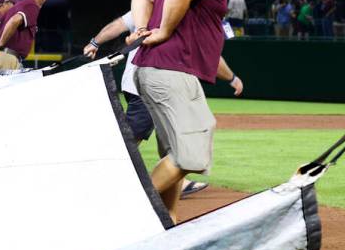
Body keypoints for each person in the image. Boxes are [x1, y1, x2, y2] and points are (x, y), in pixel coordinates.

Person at [130, 0, 257, 223]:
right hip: (172, 71)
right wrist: (162, 31)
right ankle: (128, 216)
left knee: (174, 152)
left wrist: (146, 27)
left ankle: (168, 223)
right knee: (191, 154)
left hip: (155, 70)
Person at [83, 10, 244, 199]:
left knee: (167, 135)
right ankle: (101, 181)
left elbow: (117, 25)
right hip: (153, 85)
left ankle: (175, 182)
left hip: (137, 82)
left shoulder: (148, 4)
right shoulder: (183, 12)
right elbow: (211, 57)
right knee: (130, 140)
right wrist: (232, 78)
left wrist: (94, 42)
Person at [0, 0, 49, 71]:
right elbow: (14, 20)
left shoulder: (16, 6)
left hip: (0, 57)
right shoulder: (32, 5)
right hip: (8, 58)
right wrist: (1, 42)